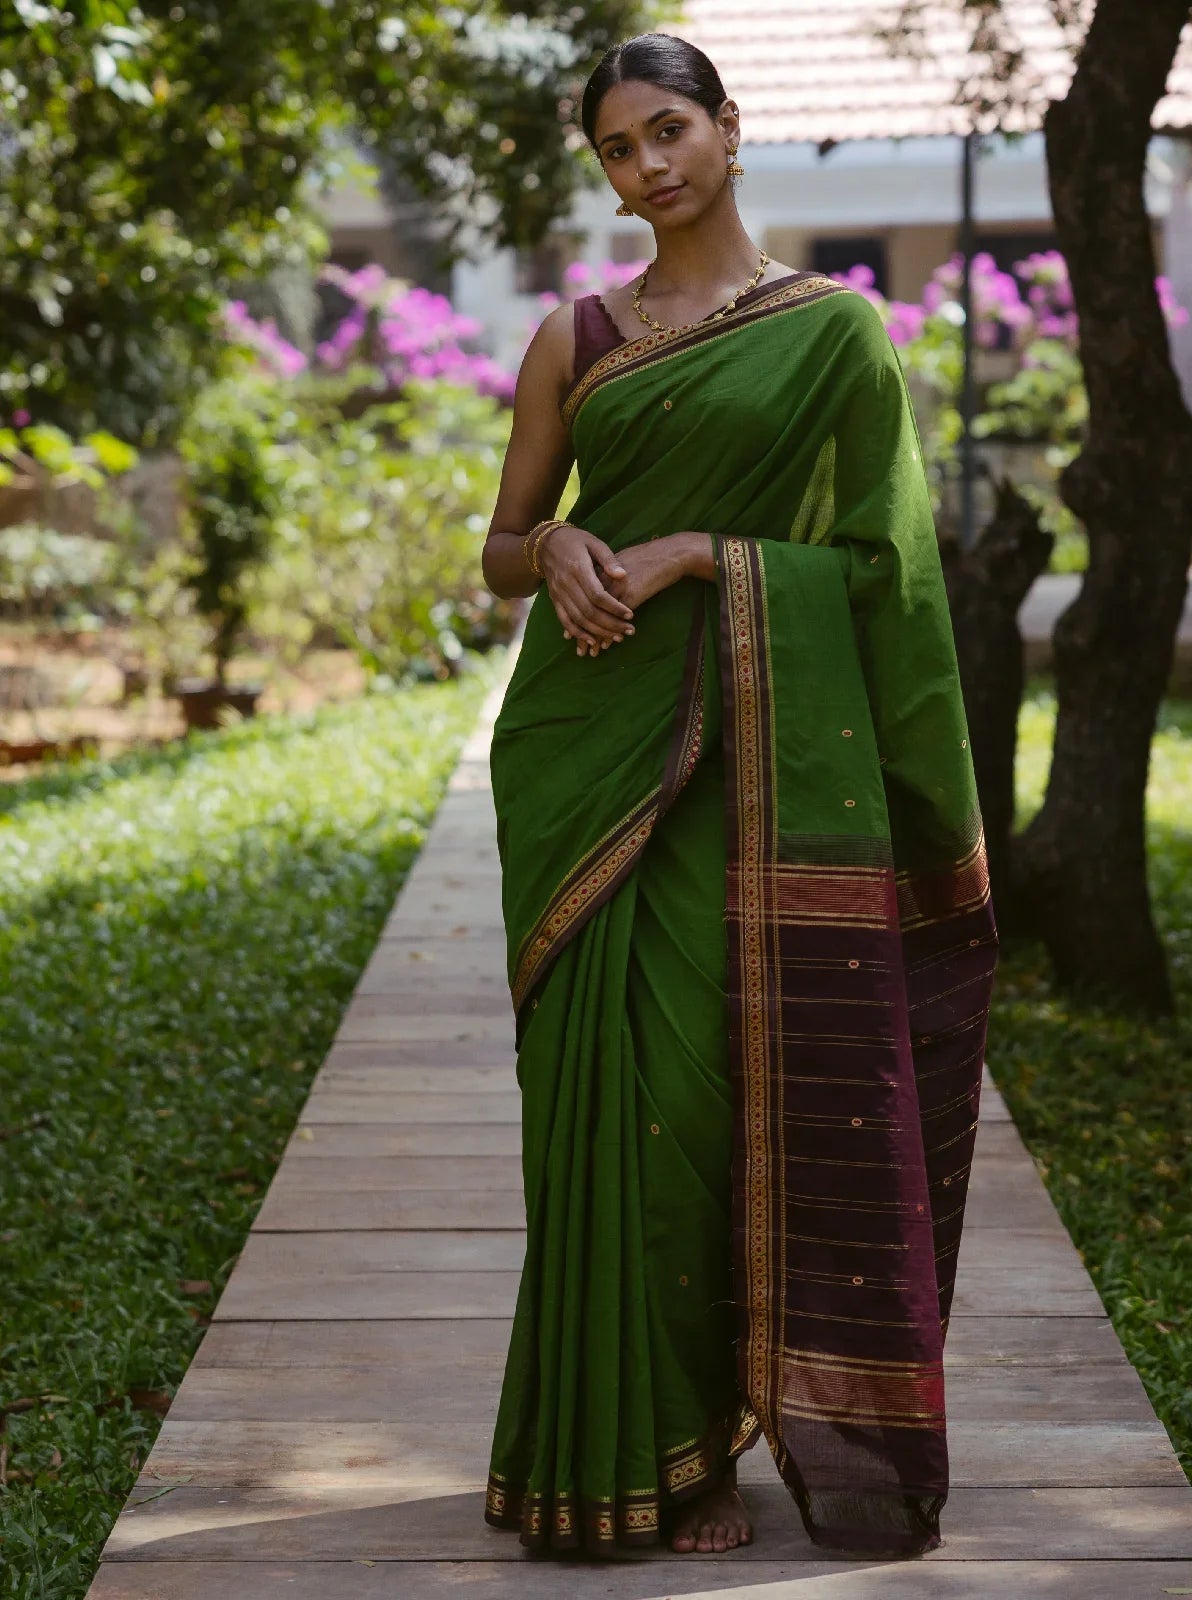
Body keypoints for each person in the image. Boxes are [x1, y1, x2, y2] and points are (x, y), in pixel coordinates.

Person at [479, 31, 998, 1561]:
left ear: (727, 127)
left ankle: (705, 1437)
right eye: (619, 149)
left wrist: (707, 554)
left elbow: (886, 571)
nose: (649, 166)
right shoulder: (577, 337)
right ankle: (615, 1446)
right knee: (597, 1102)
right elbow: (502, 544)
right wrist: (556, 548)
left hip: (754, 771)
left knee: (703, 1098)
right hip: (582, 752)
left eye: (669, 130)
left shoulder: (833, 335)